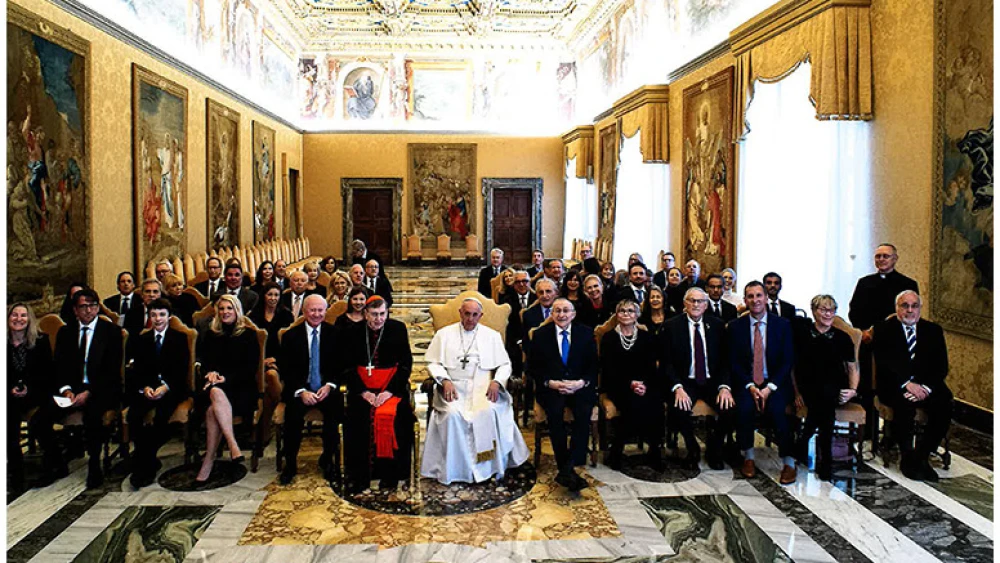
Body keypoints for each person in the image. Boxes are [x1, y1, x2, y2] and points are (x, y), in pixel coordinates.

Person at [421, 298, 529, 484]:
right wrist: (444, 380)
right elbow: (433, 362)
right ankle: (455, 470)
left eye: (474, 315)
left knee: (487, 412)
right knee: (452, 415)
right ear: (460, 312)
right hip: (453, 387)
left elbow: (505, 364)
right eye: (467, 314)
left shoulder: (492, 336)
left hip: (483, 386)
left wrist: (496, 382)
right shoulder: (444, 334)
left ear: (481, 315)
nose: (470, 319)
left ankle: (488, 468)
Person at [49, 289, 124, 488]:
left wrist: (89, 392)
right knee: (42, 415)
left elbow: (111, 371)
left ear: (98, 308)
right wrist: (66, 390)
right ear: (75, 310)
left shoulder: (111, 332)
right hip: (72, 389)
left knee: (93, 414)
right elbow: (60, 366)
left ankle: (94, 464)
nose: (88, 310)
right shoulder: (66, 333)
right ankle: (55, 462)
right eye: (83, 306)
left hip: (102, 388)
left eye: (92, 306)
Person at [872, 290, 951, 482]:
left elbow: (941, 366)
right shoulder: (883, 329)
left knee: (945, 402)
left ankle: (922, 455)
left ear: (920, 309)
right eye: (904, 306)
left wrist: (925, 388)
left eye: (914, 306)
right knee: (904, 406)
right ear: (897, 308)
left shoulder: (933, 330)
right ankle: (907, 456)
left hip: (926, 384)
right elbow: (884, 364)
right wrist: (907, 384)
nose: (909, 310)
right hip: (895, 384)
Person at [341, 296, 414, 493]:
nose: (378, 319)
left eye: (382, 314)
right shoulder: (353, 332)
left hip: (391, 390)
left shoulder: (397, 329)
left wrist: (389, 391)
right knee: (357, 419)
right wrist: (363, 392)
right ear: (365, 314)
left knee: (399, 418)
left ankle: (391, 474)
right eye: (374, 314)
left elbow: (406, 364)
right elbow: (347, 367)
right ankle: (360, 474)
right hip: (362, 390)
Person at [728, 281, 797, 484]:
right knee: (744, 408)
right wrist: (750, 385)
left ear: (766, 298)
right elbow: (734, 362)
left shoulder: (782, 325)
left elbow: (787, 361)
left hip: (775, 382)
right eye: (750, 296)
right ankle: (748, 457)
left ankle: (788, 462)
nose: (755, 300)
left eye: (759, 296)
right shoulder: (735, 327)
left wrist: (769, 388)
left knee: (778, 410)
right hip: (746, 382)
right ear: (745, 300)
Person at [849, 244, 919, 438]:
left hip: (894, 343)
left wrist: (878, 330)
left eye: (886, 256)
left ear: (895, 259)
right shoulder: (864, 282)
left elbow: (908, 314)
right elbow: (854, 310)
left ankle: (895, 433)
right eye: (878, 256)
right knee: (867, 386)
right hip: (867, 341)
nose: (881, 260)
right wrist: (863, 331)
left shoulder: (907, 284)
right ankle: (867, 431)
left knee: (891, 384)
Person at [528, 298, 597, 491]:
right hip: (551, 387)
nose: (562, 314)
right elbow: (532, 367)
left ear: (573, 314)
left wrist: (580, 383)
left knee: (583, 412)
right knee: (555, 414)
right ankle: (566, 466)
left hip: (579, 387)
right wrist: (550, 383)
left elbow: (593, 366)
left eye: (566, 310)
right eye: (557, 310)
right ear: (551, 314)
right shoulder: (540, 335)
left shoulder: (585, 333)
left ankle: (569, 468)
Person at [662, 288, 733, 470]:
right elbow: (666, 362)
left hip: (712, 381)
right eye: (692, 301)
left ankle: (715, 449)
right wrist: (677, 387)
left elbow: (726, 360)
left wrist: (725, 387)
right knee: (678, 407)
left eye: (700, 301)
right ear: (685, 304)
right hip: (686, 381)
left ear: (706, 305)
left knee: (730, 408)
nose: (696, 304)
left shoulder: (717, 325)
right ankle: (692, 447)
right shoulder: (671, 326)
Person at [195, 294, 261, 482]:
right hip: (215, 385)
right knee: (215, 393)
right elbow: (205, 363)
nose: (225, 312)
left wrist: (225, 378)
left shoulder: (248, 334)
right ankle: (233, 445)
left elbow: (250, 368)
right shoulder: (210, 334)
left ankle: (208, 459)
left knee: (211, 411)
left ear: (237, 310)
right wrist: (211, 373)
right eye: (222, 308)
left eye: (229, 308)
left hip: (241, 386)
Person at [792, 295, 858, 481]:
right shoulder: (802, 334)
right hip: (808, 386)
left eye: (831, 310)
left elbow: (853, 367)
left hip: (834, 386)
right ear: (813, 311)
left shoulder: (843, 338)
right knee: (825, 401)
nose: (828, 314)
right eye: (823, 310)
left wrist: (853, 390)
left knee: (826, 395)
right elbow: (792, 367)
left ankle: (804, 440)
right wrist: (796, 392)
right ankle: (825, 459)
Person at [279, 295, 343, 484]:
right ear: (304, 311)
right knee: (293, 418)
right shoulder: (291, 336)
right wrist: (300, 391)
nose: (316, 314)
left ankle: (328, 459)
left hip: (326, 389)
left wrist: (330, 385)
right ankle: (290, 463)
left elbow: (341, 367)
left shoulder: (335, 334)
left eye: (320, 310)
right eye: (312, 310)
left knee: (334, 416)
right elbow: (285, 369)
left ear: (325, 311)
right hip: (301, 390)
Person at [126, 299, 190, 488]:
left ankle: (144, 461)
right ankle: (145, 457)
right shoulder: (142, 339)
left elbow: (181, 370)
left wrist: (166, 387)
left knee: (161, 416)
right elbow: (137, 370)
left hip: (171, 389)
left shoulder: (179, 338)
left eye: (161, 315)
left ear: (169, 316)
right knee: (134, 414)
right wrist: (145, 388)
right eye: (153, 315)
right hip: (148, 389)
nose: (157, 319)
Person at [601, 299, 662, 471]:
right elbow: (608, 369)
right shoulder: (609, 338)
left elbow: (651, 366)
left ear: (637, 315)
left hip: (644, 384)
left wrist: (643, 384)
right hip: (618, 384)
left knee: (655, 402)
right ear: (616, 314)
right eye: (622, 311)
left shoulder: (647, 337)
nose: (626, 314)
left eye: (630, 311)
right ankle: (617, 449)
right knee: (631, 402)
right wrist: (630, 383)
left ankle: (654, 449)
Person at [8, 303, 56, 491]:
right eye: (14, 315)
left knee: (40, 422)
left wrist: (29, 389)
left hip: (37, 393)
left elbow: (48, 375)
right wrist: (11, 389)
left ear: (29, 320)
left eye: (23, 315)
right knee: (8, 422)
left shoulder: (41, 341)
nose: (18, 319)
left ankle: (52, 465)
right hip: (10, 395)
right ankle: (16, 471)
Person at [499, 271, 535, 393]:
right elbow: (507, 325)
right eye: (518, 282)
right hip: (514, 338)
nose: (521, 284)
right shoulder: (506, 301)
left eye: (525, 281)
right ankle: (516, 387)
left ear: (530, 282)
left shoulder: (538, 298)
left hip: (534, 338)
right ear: (513, 285)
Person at [248, 282, 295, 361]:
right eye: (269, 294)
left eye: (276, 295)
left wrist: (276, 358)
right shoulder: (254, 315)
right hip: (256, 358)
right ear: (264, 296)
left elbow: (290, 343)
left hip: (280, 358)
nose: (273, 298)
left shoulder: (287, 315)